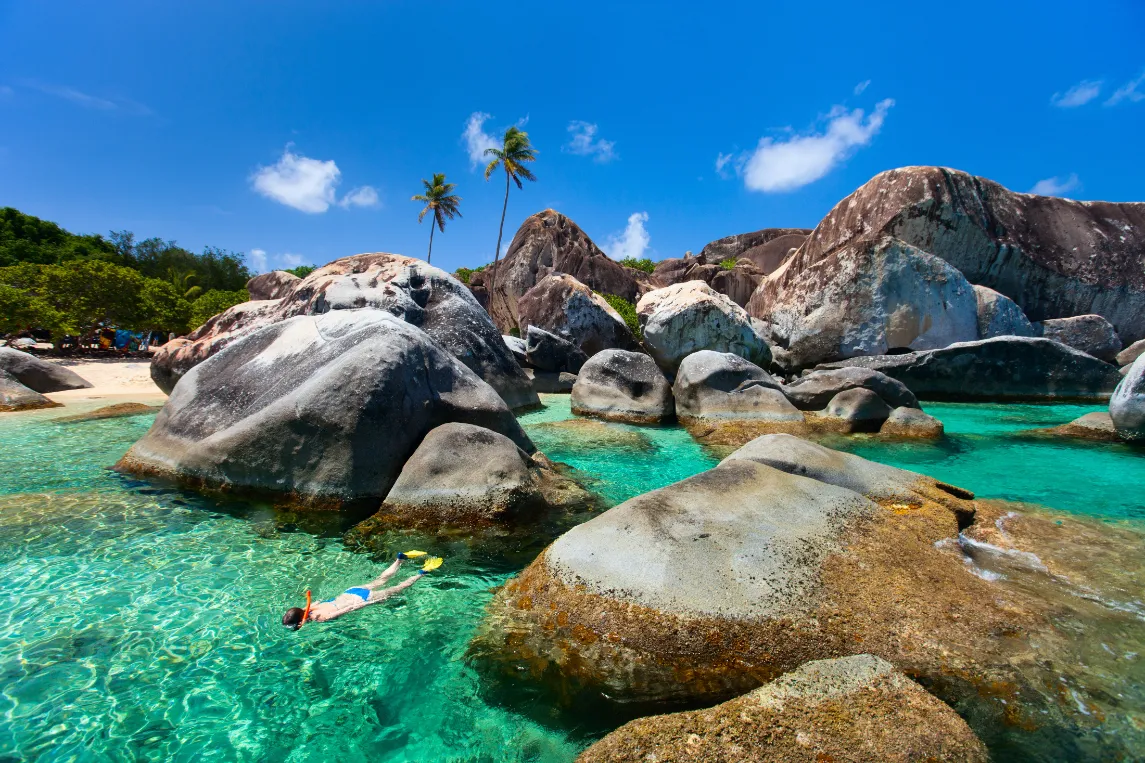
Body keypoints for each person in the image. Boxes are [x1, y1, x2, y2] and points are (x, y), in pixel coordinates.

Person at [282, 551, 441, 630]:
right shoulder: (312, 606)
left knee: (398, 588)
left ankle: (422, 573)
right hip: (351, 591)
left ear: (300, 621)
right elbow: (319, 602)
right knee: (381, 579)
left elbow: (349, 609)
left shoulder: (319, 617)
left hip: (361, 599)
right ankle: (399, 559)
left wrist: (370, 603)